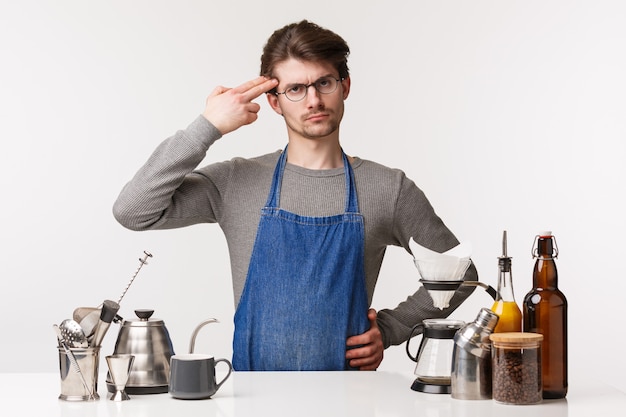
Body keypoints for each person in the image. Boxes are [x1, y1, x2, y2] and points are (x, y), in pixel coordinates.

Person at [113, 20, 477, 371]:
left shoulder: (388, 188)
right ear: (274, 102)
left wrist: (391, 328)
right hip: (253, 400)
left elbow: (462, 275)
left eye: (325, 82)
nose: (313, 100)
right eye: (295, 89)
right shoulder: (236, 181)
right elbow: (133, 211)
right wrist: (207, 126)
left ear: (345, 86)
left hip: (349, 402)